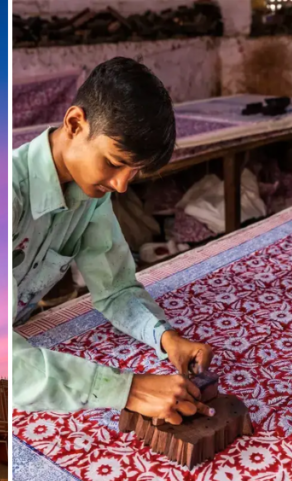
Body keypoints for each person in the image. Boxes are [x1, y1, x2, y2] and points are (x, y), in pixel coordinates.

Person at [11, 56, 215, 423]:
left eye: (133, 172)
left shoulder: (91, 196)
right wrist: (129, 389)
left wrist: (167, 338)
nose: (121, 184)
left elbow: (116, 289)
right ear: (75, 124)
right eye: (113, 162)